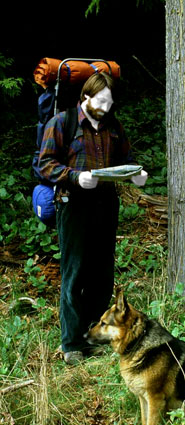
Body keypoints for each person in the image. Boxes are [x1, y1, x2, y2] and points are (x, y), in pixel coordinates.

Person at [38, 72, 148, 364]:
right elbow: (45, 165)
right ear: (85, 97)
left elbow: (126, 160)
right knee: (75, 273)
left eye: (110, 103)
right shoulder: (62, 123)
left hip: (105, 204)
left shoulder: (113, 127)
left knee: (102, 273)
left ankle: (93, 335)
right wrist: (74, 177)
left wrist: (137, 174)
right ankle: (72, 344)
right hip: (73, 204)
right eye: (101, 101)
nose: (106, 108)